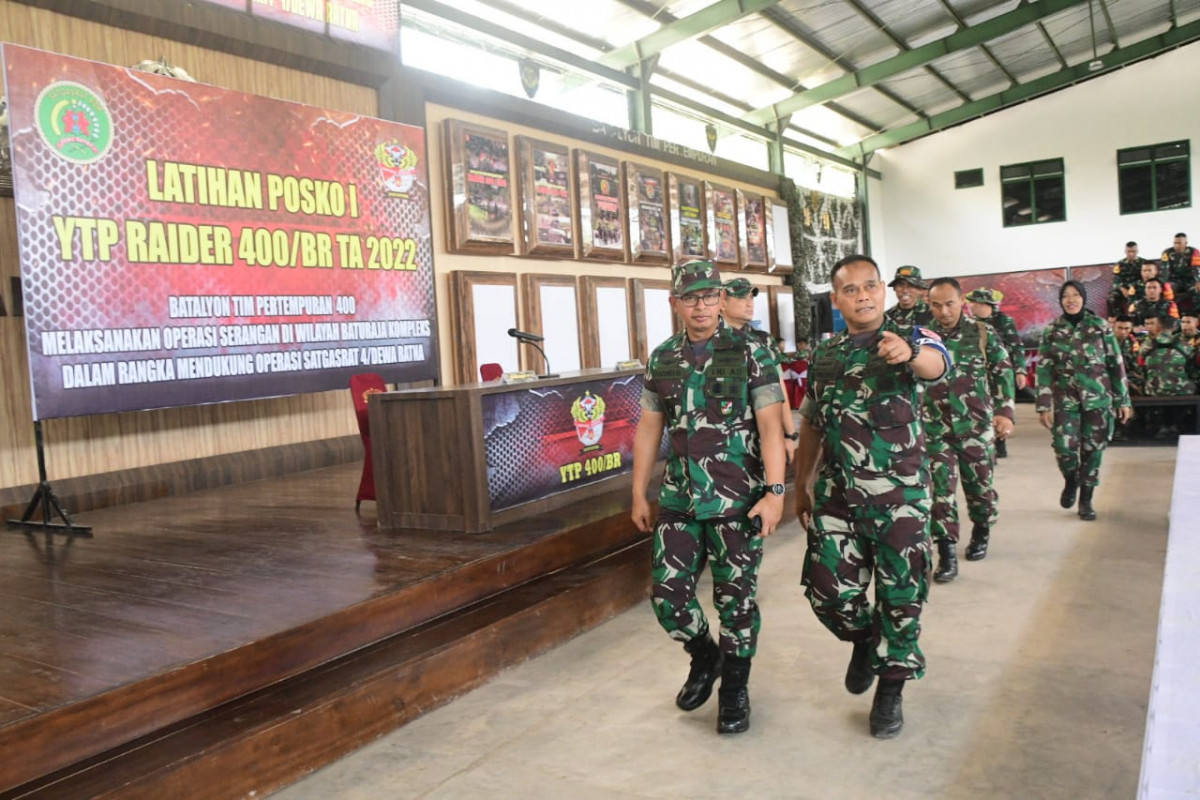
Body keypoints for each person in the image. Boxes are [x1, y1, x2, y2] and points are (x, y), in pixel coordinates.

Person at [793, 254, 950, 739]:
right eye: (851, 289)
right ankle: (864, 638)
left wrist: (909, 353)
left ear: (882, 290)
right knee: (828, 593)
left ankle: (891, 689)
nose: (862, 296)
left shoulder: (911, 336)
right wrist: (802, 485)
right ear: (836, 299)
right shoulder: (826, 355)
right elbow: (813, 425)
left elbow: (935, 365)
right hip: (839, 495)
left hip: (901, 499)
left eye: (870, 286)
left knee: (902, 599)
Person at [631, 260, 786, 736]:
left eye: (709, 295)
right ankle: (705, 656)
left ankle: (735, 690)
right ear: (674, 302)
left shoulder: (751, 352)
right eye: (690, 297)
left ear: (721, 299)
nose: (701, 305)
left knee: (735, 602)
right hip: (679, 495)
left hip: (738, 497)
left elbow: (770, 425)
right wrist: (639, 492)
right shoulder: (663, 358)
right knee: (669, 598)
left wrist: (776, 492)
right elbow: (648, 427)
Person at [925, 279, 1015, 582]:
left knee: (980, 489)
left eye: (949, 303)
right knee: (940, 494)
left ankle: (981, 529)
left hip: (976, 427)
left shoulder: (982, 332)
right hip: (935, 428)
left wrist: (1005, 412)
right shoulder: (922, 338)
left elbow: (1002, 371)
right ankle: (946, 551)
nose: (944, 310)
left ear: (961, 301)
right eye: (936, 305)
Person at [1036, 281, 1132, 521]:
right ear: (1060, 301)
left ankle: (1086, 500)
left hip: (1098, 399)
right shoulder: (1052, 330)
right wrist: (1043, 404)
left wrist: (1123, 400)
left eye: (1076, 295)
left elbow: (1115, 364)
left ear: (1083, 298)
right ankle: (1071, 479)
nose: (1071, 299)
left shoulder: (1100, 326)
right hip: (1065, 397)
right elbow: (1045, 368)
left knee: (1093, 449)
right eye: (1066, 296)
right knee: (1063, 446)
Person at [722, 277, 798, 463]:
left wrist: (790, 434)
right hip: (723, 442)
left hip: (763, 437)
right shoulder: (709, 341)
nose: (749, 304)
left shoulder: (763, 340)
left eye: (751, 298)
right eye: (741, 298)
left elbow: (778, 386)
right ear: (722, 303)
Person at [965, 287, 1026, 457]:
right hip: (979, 375)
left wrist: (1020, 371)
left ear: (985, 304)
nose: (971, 306)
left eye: (974, 303)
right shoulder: (971, 324)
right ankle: (988, 443)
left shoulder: (1004, 322)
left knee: (1000, 407)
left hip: (1000, 374)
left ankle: (1000, 442)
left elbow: (1016, 346)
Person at [1141, 314, 1196, 439]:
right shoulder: (1184, 345)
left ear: (1158, 326)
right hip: (1181, 390)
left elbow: (1141, 366)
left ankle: (1163, 426)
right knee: (1189, 385)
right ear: (1175, 327)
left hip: (1154, 390)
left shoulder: (1147, 345)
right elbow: (1191, 368)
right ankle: (1175, 425)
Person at [1162, 232, 1200, 312]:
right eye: (1175, 243)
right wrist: (1164, 284)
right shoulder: (1167, 253)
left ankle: (1195, 313)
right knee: (1167, 290)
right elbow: (1165, 270)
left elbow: (1196, 268)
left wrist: (1198, 281)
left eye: (1179, 243)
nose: (1176, 245)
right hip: (1174, 280)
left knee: (1197, 289)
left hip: (1190, 280)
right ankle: (1170, 314)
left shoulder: (1194, 252)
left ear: (1186, 243)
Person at [1110, 241, 1148, 317]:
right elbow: (1116, 280)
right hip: (1124, 288)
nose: (1131, 254)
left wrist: (1133, 288)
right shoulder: (1120, 264)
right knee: (1113, 297)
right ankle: (1120, 318)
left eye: (1133, 251)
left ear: (1137, 251)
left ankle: (1139, 318)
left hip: (1138, 287)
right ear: (1125, 251)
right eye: (1129, 251)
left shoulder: (1144, 263)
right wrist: (1122, 289)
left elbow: (1147, 278)